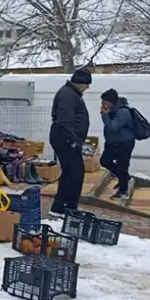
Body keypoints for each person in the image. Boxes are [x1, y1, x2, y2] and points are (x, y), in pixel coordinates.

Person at [49, 68, 92, 216]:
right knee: (75, 173)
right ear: (81, 83)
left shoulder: (72, 94)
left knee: (70, 172)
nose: (88, 87)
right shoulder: (68, 95)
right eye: (87, 84)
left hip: (65, 138)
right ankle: (69, 207)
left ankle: (60, 206)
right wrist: (73, 140)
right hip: (64, 138)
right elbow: (64, 120)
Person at [99, 89, 135, 200]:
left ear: (110, 102)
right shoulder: (114, 110)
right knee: (105, 161)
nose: (102, 104)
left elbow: (113, 127)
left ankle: (123, 191)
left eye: (104, 101)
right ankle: (123, 178)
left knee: (122, 166)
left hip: (124, 143)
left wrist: (104, 115)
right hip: (113, 143)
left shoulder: (122, 112)